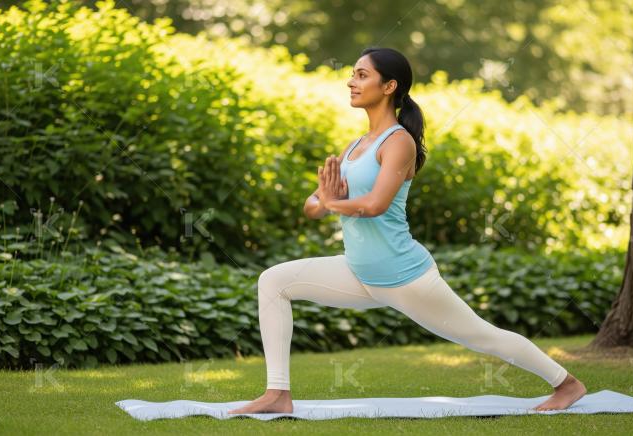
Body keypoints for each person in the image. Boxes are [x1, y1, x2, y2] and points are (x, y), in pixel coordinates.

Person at [228, 47, 586, 415]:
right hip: (358, 272)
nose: (351, 81)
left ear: (389, 86)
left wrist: (333, 203)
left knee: (482, 336)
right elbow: (313, 205)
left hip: (404, 276)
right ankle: (277, 394)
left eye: (362, 75)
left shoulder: (399, 142)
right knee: (273, 282)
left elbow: (375, 205)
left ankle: (568, 384)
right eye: (352, 73)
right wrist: (326, 201)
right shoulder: (355, 146)